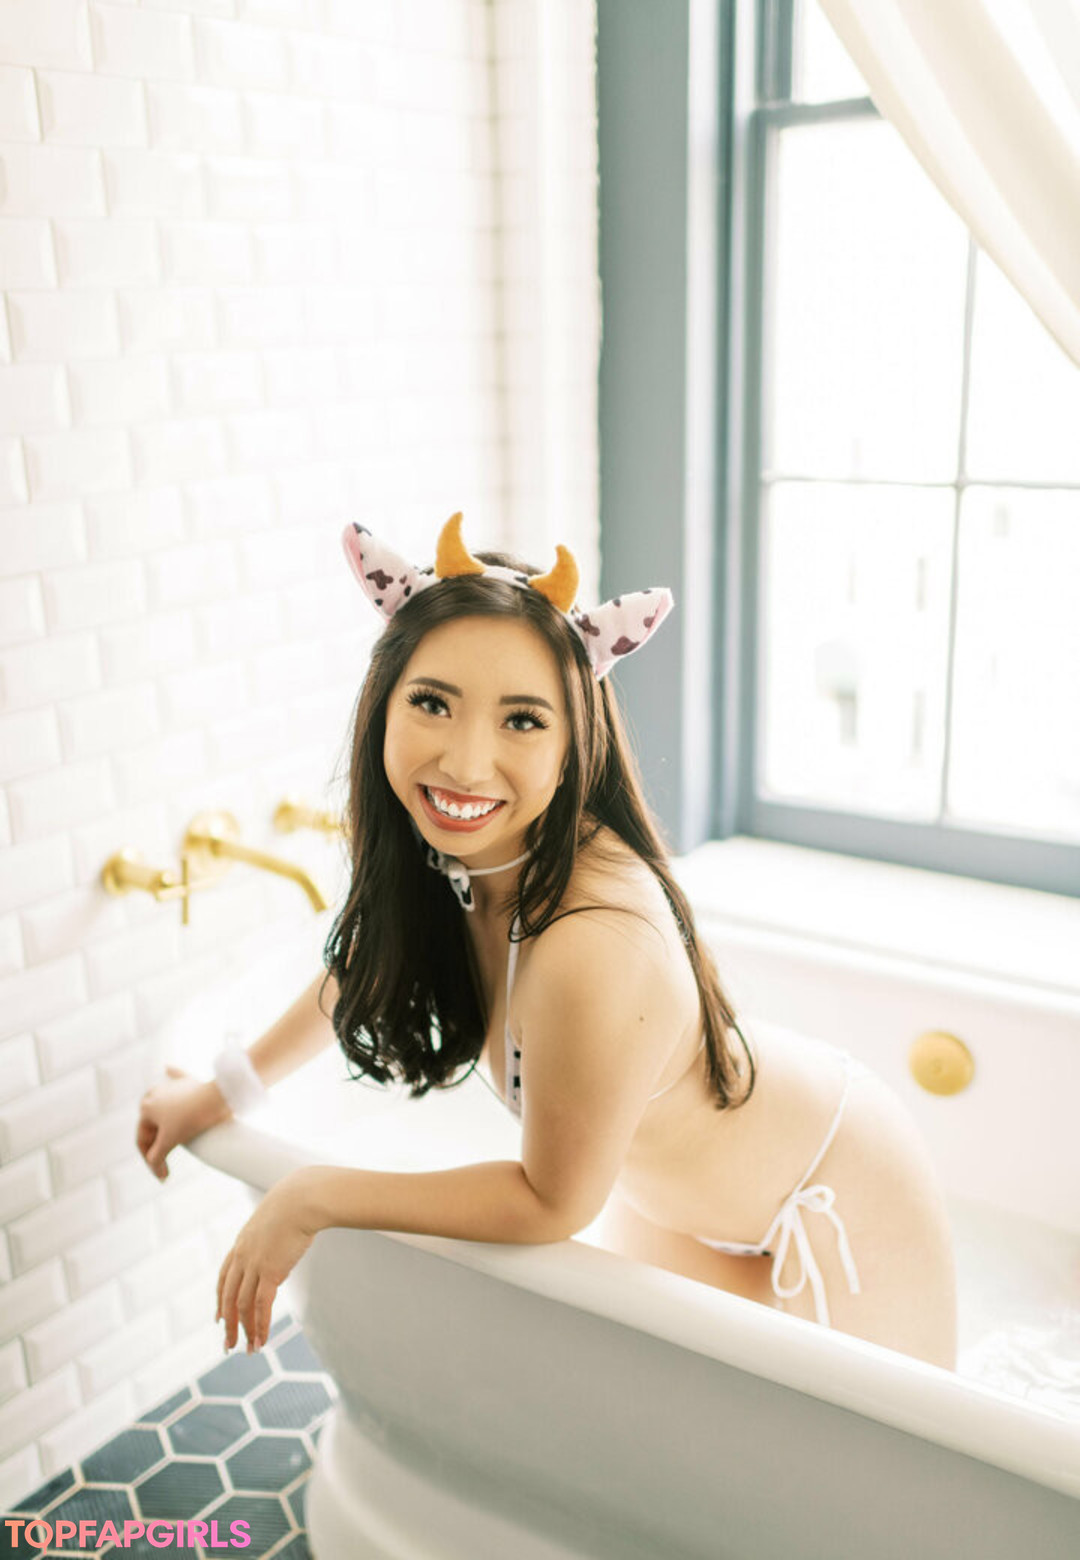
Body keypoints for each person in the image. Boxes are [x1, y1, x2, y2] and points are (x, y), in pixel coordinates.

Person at [136, 512, 958, 1371]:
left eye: (522, 720)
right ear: (384, 703)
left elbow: (550, 1202)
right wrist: (224, 1091)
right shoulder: (473, 852)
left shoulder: (590, 944)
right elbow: (365, 968)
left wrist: (311, 1195)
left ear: (574, 745)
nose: (465, 763)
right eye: (432, 703)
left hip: (830, 1198)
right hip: (681, 1201)